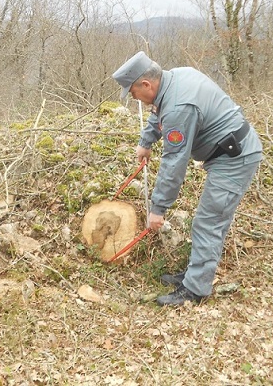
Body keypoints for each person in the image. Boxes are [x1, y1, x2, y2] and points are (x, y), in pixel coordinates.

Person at [112, 51, 263, 306]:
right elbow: (158, 111)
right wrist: (146, 141)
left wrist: (158, 208)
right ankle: (197, 273)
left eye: (134, 92)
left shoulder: (179, 107)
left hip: (235, 159)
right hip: (228, 151)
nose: (134, 98)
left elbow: (174, 163)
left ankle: (195, 291)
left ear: (146, 84)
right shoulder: (176, 77)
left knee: (208, 222)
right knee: (210, 221)